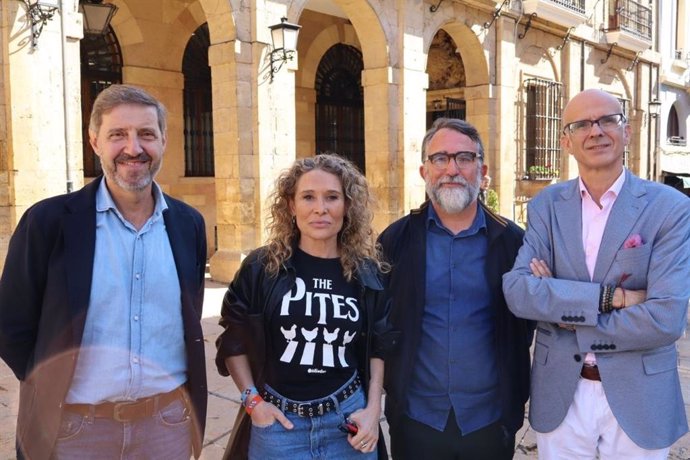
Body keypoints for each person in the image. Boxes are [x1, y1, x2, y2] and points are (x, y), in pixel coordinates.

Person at [0, 84, 208, 460]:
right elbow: (11, 325)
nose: (133, 148)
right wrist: (47, 383)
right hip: (75, 432)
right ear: (95, 142)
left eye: (146, 134)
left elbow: (188, 313)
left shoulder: (188, 224)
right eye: (118, 135)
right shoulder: (48, 222)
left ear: (163, 140)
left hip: (167, 427)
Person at [503, 89, 690, 458]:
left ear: (627, 131)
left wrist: (564, 309)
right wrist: (613, 299)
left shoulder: (671, 208)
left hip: (640, 394)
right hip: (562, 395)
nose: (596, 131)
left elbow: (666, 319)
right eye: (582, 124)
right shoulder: (546, 207)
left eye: (608, 120)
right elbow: (519, 291)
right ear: (566, 141)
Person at [215, 153, 399, 460]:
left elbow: (380, 345)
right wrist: (253, 403)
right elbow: (234, 340)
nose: (320, 209)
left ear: (347, 205)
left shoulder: (367, 272)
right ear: (291, 205)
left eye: (332, 197)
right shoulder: (262, 268)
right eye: (308, 197)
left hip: (348, 422)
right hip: (279, 426)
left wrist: (372, 410)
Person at [379, 118, 534, 460]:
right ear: (424, 171)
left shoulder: (513, 242)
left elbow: (527, 323)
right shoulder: (396, 240)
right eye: (440, 159)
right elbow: (376, 322)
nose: (452, 169)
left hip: (489, 421)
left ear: (482, 169)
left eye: (464, 158)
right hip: (416, 418)